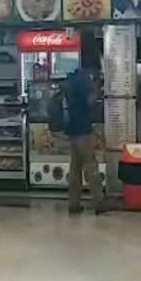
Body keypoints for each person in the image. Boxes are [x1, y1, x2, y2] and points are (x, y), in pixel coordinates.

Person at [63, 67, 105, 215]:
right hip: (82, 130)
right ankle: (99, 202)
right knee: (91, 166)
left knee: (75, 169)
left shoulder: (70, 80)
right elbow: (90, 101)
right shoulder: (83, 80)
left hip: (72, 130)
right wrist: (96, 90)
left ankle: (73, 204)